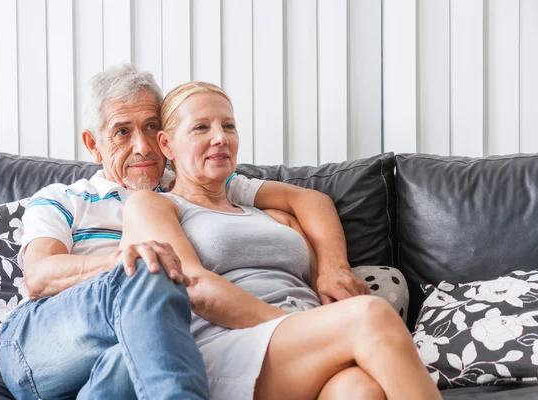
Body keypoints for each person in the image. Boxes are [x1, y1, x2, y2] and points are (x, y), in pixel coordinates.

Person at [0, 63, 407, 399]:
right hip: (48, 337)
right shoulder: (66, 198)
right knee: (154, 274)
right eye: (122, 131)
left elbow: (308, 200)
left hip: (133, 343)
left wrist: (331, 266)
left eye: (150, 128)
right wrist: (130, 259)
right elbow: (40, 276)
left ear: (166, 138)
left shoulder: (195, 186)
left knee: (136, 360)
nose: (142, 147)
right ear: (93, 144)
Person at [119, 81, 440, 400]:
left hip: (303, 344)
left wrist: (328, 286)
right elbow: (196, 289)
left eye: (228, 125)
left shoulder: (273, 215)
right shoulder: (155, 206)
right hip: (229, 347)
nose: (220, 137)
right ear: (166, 144)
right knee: (371, 314)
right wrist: (305, 324)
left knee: (358, 389)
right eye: (201, 127)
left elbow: (320, 283)